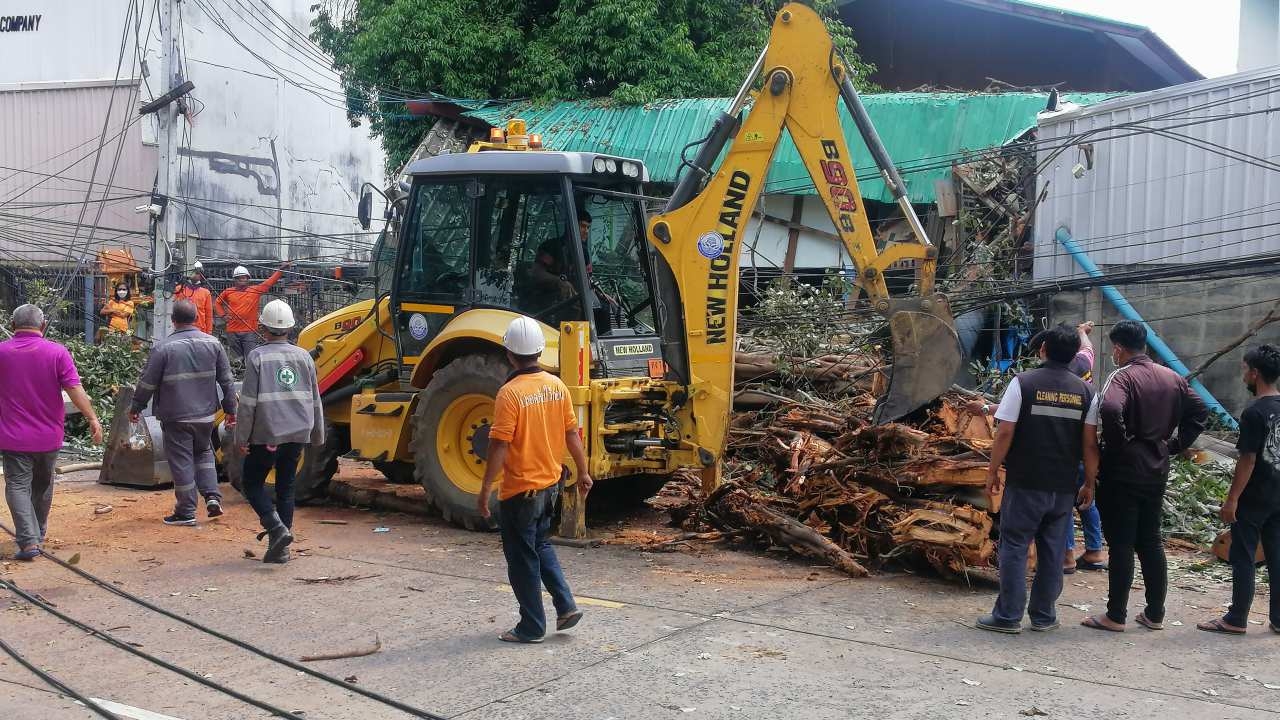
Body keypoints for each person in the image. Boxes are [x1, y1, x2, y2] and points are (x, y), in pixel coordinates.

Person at [1082, 320, 1208, 632]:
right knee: (1150, 540)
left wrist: (1117, 443)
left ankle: (1115, 615)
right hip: (1157, 467)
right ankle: (1154, 613)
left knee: (1122, 542)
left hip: (1123, 470)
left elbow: (1110, 409)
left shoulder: (1122, 377)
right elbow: (1201, 412)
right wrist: (1175, 445)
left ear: (1119, 349)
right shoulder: (1173, 378)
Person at [976, 324, 1100, 634]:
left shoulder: (1023, 383)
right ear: (1075, 355)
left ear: (1042, 350)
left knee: (1015, 546)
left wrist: (992, 471)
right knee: (1053, 551)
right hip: (1063, 486)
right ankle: (1044, 616)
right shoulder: (1086, 392)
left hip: (1025, 481)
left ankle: (1007, 616)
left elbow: (1004, 431)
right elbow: (1089, 443)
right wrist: (1090, 482)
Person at [478, 315, 592, 643]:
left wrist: (485, 489)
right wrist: (583, 472)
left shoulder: (510, 393)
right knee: (540, 544)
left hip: (520, 491)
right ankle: (566, 605)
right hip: (549, 486)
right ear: (540, 350)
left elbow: (499, 445)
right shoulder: (557, 386)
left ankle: (531, 627)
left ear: (509, 353)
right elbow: (572, 434)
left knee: (521, 557)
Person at [0, 305, 103, 560]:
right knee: (43, 486)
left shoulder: (2, 352)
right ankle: (37, 536)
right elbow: (75, 389)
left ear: (13, 326)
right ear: (43, 326)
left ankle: (28, 541)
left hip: (13, 437)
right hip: (49, 437)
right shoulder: (57, 352)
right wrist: (92, 418)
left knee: (17, 486)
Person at [130, 300, 236, 526]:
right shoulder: (213, 344)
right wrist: (230, 410)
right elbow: (227, 381)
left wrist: (136, 406)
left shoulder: (163, 348)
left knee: (182, 461)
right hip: (206, 416)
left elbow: (147, 382)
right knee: (204, 454)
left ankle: (186, 511)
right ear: (197, 318)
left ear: (173, 320)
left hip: (176, 415)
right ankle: (212, 498)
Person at [1198, 344, 1280, 635]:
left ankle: (1236, 618)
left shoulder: (1254, 412)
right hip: (1278, 494)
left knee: (1243, 556)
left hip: (1255, 496)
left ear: (1255, 374)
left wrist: (1232, 499)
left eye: (1244, 369)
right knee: (1276, 555)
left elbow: (1248, 459)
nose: (1243, 374)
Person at [234, 299, 324, 564]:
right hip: (297, 434)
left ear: (263, 328)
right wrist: (317, 435)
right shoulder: (304, 356)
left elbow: (248, 402)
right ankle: (281, 549)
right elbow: (315, 398)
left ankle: (276, 528)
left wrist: (241, 438)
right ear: (290, 328)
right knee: (286, 488)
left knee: (251, 484)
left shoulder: (258, 356)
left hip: (268, 435)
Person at [214, 262, 291, 361]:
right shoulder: (228, 292)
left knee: (251, 357)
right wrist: (223, 316)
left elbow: (270, 282)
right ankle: (239, 375)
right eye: (239, 278)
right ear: (235, 280)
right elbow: (217, 303)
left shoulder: (255, 290)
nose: (242, 280)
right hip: (232, 331)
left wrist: (280, 270)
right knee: (236, 359)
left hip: (249, 331)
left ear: (248, 279)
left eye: (244, 277)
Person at [174, 262, 214, 334]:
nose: (196, 274)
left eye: (198, 273)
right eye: (194, 272)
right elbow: (174, 310)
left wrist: (209, 331)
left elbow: (209, 314)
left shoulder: (206, 293)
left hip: (200, 330)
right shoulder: (179, 289)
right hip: (182, 329)